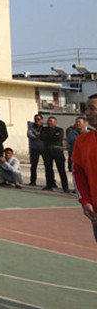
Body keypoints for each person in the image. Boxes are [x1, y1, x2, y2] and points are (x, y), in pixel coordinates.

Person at [71, 94, 97, 243]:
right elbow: (78, 173)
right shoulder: (82, 141)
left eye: (92, 109)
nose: (87, 113)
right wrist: (85, 201)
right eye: (86, 109)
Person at [39, 115, 69, 192]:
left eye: (51, 121)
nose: (50, 123)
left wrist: (49, 136)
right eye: (49, 121)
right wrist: (53, 136)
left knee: (61, 169)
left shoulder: (60, 130)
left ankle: (65, 187)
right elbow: (42, 137)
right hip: (47, 151)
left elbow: (58, 138)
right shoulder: (44, 129)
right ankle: (49, 185)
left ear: (55, 122)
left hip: (58, 151)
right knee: (48, 168)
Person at [27, 114, 45, 186]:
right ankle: (33, 181)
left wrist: (38, 135)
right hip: (35, 148)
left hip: (44, 148)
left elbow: (46, 135)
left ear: (42, 120)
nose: (37, 121)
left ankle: (51, 182)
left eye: (38, 119)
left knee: (48, 166)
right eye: (36, 119)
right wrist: (40, 135)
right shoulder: (31, 127)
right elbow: (30, 135)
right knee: (33, 165)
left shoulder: (44, 128)